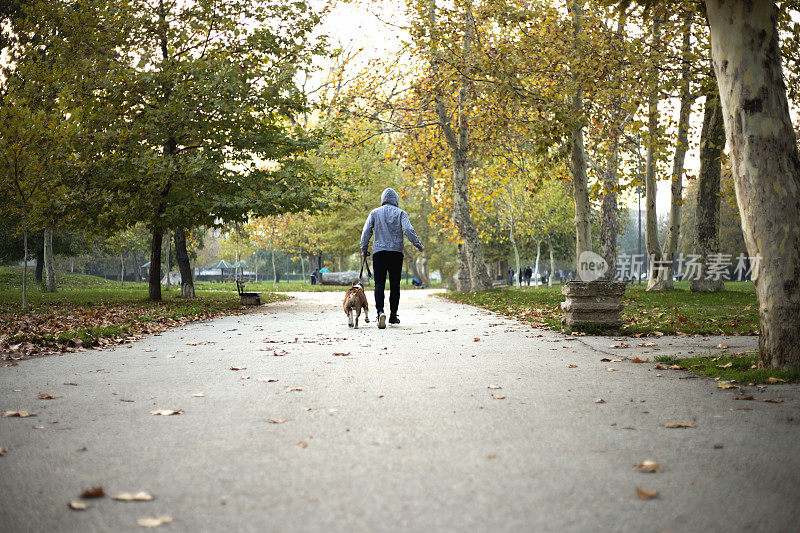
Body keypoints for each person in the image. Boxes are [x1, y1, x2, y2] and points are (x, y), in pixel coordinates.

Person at [360, 188, 424, 329]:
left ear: (383, 199)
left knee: (379, 284)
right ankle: (393, 316)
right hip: (395, 253)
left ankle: (380, 312)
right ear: (396, 199)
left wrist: (364, 249)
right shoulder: (401, 213)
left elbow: (366, 232)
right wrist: (418, 245)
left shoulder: (374, 213)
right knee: (395, 285)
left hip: (379, 253)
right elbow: (408, 230)